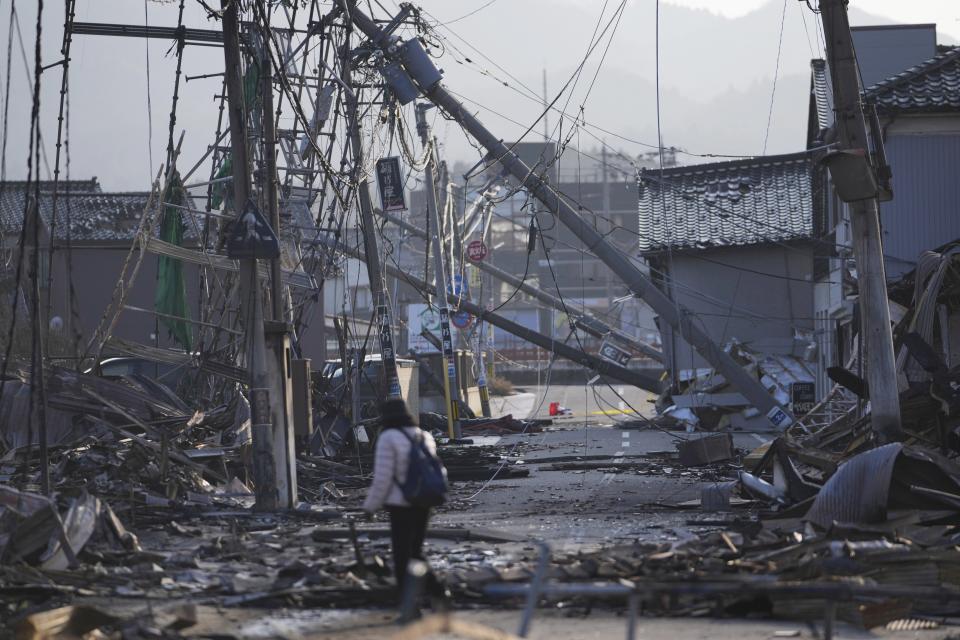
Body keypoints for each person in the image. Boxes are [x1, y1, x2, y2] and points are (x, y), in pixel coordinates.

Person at [362, 398, 445, 597]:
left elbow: (383, 478)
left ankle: (408, 600)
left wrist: (370, 506)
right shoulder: (423, 435)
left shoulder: (388, 437)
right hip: (425, 500)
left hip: (401, 504)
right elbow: (437, 467)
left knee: (402, 554)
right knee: (415, 551)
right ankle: (438, 592)